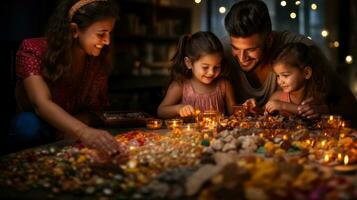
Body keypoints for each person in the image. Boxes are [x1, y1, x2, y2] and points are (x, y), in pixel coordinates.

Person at [10, 0, 125, 158]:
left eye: (109, 33)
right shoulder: (33, 50)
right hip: (39, 127)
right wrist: (83, 131)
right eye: (101, 34)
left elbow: (96, 109)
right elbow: (41, 104)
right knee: (27, 124)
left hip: (74, 129)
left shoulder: (97, 59)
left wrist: (77, 124)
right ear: (74, 30)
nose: (107, 41)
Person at [223, 0, 357, 125]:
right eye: (235, 48)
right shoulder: (221, 52)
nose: (242, 58)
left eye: (251, 49)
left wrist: (324, 110)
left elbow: (350, 105)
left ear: (269, 40)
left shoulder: (299, 51)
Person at [157, 31, 236, 118]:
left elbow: (234, 113)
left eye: (216, 67)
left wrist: (245, 107)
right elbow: (161, 111)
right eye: (205, 67)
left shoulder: (224, 85)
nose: (211, 72)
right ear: (189, 63)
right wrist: (178, 109)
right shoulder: (181, 86)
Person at [265, 42, 329, 116]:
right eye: (278, 76)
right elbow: (263, 115)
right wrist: (255, 109)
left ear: (306, 73)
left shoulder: (316, 98)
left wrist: (283, 106)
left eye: (285, 75)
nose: (280, 81)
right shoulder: (277, 97)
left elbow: (316, 115)